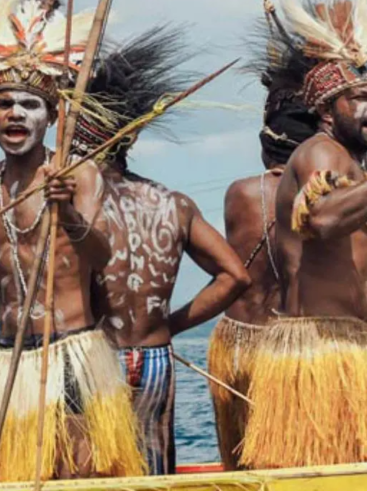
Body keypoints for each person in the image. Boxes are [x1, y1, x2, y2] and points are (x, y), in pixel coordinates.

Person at [0, 0, 145, 482]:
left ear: (52, 115)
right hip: (7, 360)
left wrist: (67, 214)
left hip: (72, 355)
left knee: (83, 474)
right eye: (4, 104)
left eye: (29, 104)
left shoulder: (78, 174)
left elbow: (102, 254)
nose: (16, 113)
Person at [239, 0, 367, 469]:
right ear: (327, 109)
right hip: (320, 354)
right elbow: (322, 218)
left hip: (355, 348)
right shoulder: (321, 153)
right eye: (361, 98)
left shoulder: (352, 163)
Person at [70, 27, 251, 475]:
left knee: (90, 472)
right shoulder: (173, 203)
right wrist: (170, 325)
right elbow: (236, 276)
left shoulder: (69, 204)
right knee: (153, 471)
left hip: (96, 356)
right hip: (154, 356)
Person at [209, 24, 318, 469]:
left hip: (237, 344)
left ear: (263, 147)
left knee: (242, 465)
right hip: (293, 350)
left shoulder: (238, 193)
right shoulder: (332, 197)